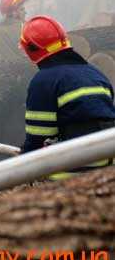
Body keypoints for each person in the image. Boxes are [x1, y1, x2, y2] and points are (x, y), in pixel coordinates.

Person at [20, 15, 115, 179]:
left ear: (31, 49)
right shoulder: (95, 73)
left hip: (70, 174)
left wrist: (22, 162)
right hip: (107, 168)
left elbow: (38, 136)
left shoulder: (44, 81)